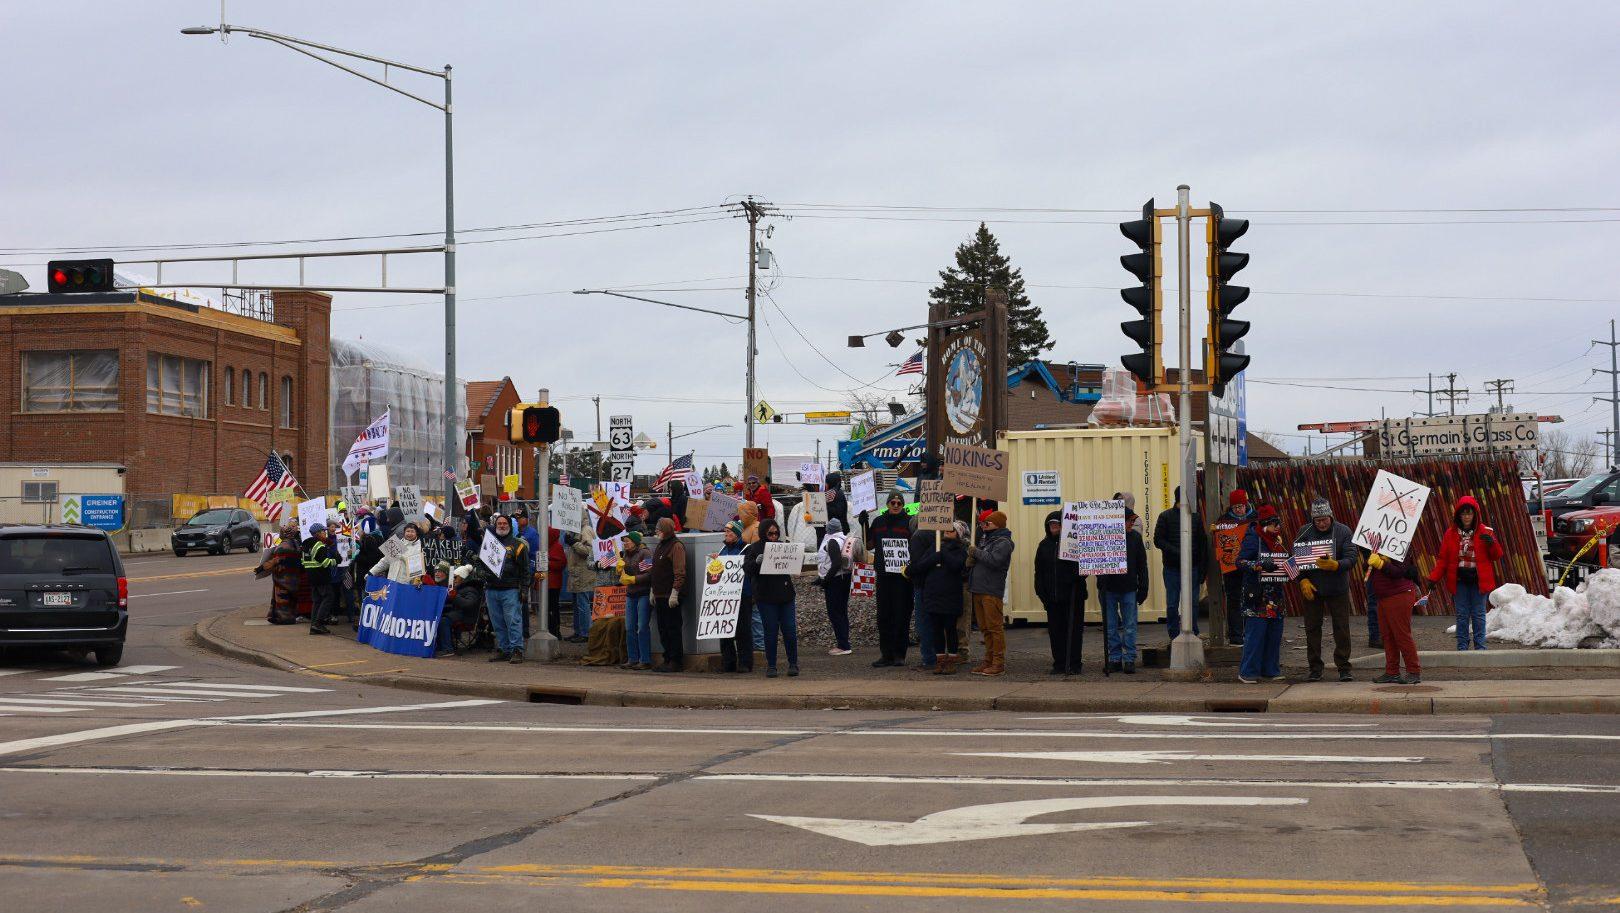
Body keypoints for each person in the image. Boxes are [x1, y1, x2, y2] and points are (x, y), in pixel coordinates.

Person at [1426, 494, 1504, 651]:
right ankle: (1462, 647)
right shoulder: (1450, 534)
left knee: (1479, 615)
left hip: (1478, 581)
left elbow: (1497, 555)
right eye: (1463, 513)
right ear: (1458, 515)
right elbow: (1443, 559)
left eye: (1469, 513)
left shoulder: (1485, 532)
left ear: (1475, 514)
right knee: (1462, 616)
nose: (1466, 516)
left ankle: (1480, 647)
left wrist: (1492, 544)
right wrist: (1433, 578)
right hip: (1459, 581)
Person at [1294, 497, 1359, 682]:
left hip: (1337, 588)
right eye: (1317, 520)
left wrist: (1336, 565)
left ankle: (1344, 668)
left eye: (1324, 519)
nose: (1321, 523)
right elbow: (1296, 561)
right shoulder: (1304, 531)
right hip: (1312, 589)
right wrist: (1302, 580)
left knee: (1342, 628)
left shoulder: (1343, 531)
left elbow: (1352, 557)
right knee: (1312, 629)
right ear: (1312, 520)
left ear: (1330, 516)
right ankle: (1315, 668)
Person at [1237, 505, 1290, 683]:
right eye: (1275, 524)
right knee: (1256, 633)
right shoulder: (1253, 538)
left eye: (1278, 523)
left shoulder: (1277, 540)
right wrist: (1259, 564)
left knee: (1274, 634)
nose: (1278, 527)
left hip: (1275, 594)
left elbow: (1284, 560)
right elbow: (1240, 562)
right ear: (1266, 524)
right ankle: (1248, 672)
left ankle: (1270, 669)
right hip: (1257, 594)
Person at [1033, 509, 1087, 675]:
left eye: (1057, 524)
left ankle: (1075, 663)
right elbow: (1039, 572)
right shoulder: (1044, 546)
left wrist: (1076, 576)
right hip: (1052, 598)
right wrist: (1042, 594)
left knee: (1074, 631)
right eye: (1051, 525)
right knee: (1056, 632)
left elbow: (1085, 569)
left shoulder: (1075, 544)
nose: (1054, 527)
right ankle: (1059, 663)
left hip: (1073, 597)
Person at [1096, 506, 1149, 673]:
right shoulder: (1105, 538)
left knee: (1130, 625)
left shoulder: (1135, 538)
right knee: (1111, 626)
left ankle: (1129, 658)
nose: (1132, 523)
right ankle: (1115, 658)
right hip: (1109, 588)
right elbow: (1097, 560)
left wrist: (1143, 586)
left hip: (1129, 588)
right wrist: (1100, 581)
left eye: (1133, 521)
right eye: (1130, 520)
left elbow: (1142, 564)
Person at [912, 519, 969, 674]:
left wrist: (942, 554)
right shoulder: (935, 547)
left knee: (950, 629)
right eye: (946, 530)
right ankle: (940, 661)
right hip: (933, 594)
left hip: (950, 595)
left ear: (958, 534)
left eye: (951, 530)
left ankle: (950, 661)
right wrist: (935, 556)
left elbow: (957, 565)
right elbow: (921, 565)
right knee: (936, 630)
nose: (947, 532)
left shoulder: (961, 550)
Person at [744, 519, 800, 678]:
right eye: (770, 533)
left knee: (789, 631)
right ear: (763, 533)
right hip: (766, 597)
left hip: (786, 595)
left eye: (776, 533)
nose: (774, 536)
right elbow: (747, 569)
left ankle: (793, 663)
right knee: (770, 632)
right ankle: (772, 665)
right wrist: (757, 562)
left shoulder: (782, 547)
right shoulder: (754, 548)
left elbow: (794, 564)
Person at [1154, 485, 1208, 640]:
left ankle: (1193, 633)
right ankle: (1174, 635)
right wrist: (1178, 552)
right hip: (1172, 568)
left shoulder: (1195, 517)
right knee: (1172, 604)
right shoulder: (1165, 516)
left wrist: (1202, 570)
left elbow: (1202, 544)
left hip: (1192, 567)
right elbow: (1158, 540)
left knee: (1192, 604)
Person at [634, 517, 688, 673]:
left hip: (670, 595)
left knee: (673, 629)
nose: (656, 531)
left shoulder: (676, 546)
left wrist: (675, 592)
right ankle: (667, 658)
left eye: (659, 529)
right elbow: (655, 570)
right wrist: (652, 589)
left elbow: (680, 571)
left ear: (666, 530)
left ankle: (676, 661)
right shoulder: (660, 545)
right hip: (659, 594)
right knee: (663, 629)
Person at [868, 491, 914, 667]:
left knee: (901, 615)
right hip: (884, 576)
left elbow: (916, 544)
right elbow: (869, 544)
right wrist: (863, 523)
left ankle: (899, 654)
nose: (895, 505)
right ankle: (885, 654)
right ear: (887, 504)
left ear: (902, 505)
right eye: (892, 502)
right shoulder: (878, 522)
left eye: (899, 503)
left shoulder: (909, 522)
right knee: (883, 616)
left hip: (903, 577)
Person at [966, 510, 1015, 676]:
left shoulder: (1003, 542)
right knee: (985, 628)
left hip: (991, 590)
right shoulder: (986, 539)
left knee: (994, 628)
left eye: (987, 523)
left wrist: (976, 553)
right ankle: (988, 660)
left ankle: (998, 662)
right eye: (983, 523)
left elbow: (994, 561)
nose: (984, 526)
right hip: (979, 589)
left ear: (998, 524)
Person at [1367, 550, 1423, 683]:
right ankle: (1392, 672)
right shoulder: (1376, 546)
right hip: (1384, 595)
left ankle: (1414, 671)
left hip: (1399, 594)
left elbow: (1399, 571)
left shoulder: (1399, 545)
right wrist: (1371, 561)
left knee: (1401, 634)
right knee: (1388, 635)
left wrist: (1381, 564)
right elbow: (1370, 567)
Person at [481, 513, 530, 664]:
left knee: (513, 621)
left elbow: (525, 570)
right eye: (499, 523)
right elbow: (482, 564)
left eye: (504, 523)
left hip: (511, 590)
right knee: (497, 623)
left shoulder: (519, 545)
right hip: (491, 589)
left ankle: (517, 650)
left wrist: (524, 590)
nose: (501, 526)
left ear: (510, 525)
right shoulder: (489, 543)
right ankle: (504, 649)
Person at [1210, 489, 1255, 645]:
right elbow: (1218, 545)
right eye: (1235, 507)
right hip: (1232, 570)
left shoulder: (1255, 518)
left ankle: (1251, 634)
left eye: (1240, 506)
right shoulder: (1223, 521)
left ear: (1246, 504)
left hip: (1251, 567)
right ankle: (1236, 636)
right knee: (1234, 601)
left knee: (1252, 598)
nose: (1238, 509)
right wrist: (1215, 533)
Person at [718, 521, 755, 673]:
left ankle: (745, 663)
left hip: (742, 594)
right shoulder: (723, 550)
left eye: (730, 532)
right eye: (725, 531)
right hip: (725, 595)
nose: (727, 534)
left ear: (738, 534)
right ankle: (729, 662)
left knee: (742, 630)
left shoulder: (747, 549)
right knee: (724, 630)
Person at [617, 531, 655, 670]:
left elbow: (649, 574)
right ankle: (632, 658)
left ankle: (645, 659)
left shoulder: (645, 553)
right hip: (631, 594)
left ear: (635, 542)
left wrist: (634, 579)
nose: (625, 543)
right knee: (629, 627)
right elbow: (624, 574)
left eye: (627, 541)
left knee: (642, 627)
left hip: (643, 593)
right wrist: (620, 569)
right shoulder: (626, 554)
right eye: (624, 541)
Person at [817, 517, 854, 655]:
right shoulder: (843, 539)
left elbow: (836, 563)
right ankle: (844, 642)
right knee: (842, 611)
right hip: (845, 578)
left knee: (835, 613)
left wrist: (825, 580)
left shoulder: (832, 541)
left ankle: (843, 645)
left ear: (829, 529)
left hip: (836, 581)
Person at [256, 524, 303, 625]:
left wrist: (260, 568)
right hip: (294, 577)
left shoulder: (282, 547)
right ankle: (292, 616)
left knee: (282, 600)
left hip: (282, 578)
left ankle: (283, 618)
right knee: (292, 599)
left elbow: (275, 561)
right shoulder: (296, 545)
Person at [907, 517, 937, 669]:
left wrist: (908, 570)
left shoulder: (918, 536)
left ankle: (929, 659)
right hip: (937, 583)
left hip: (922, 584)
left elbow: (918, 563)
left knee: (923, 622)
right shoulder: (938, 534)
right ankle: (938, 656)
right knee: (936, 622)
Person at [300, 523, 339, 635]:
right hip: (321, 576)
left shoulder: (305, 544)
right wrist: (337, 560)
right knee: (328, 597)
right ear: (318, 533)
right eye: (323, 531)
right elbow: (325, 563)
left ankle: (314, 626)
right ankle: (318, 624)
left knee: (316, 601)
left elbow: (303, 562)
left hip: (311, 577)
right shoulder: (319, 546)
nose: (325, 533)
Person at [565, 530, 597, 644]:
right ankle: (578, 631)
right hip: (575, 573)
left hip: (583, 574)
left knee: (583, 604)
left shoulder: (585, 530)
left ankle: (586, 633)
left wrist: (574, 543)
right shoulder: (572, 531)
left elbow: (589, 551)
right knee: (576, 604)